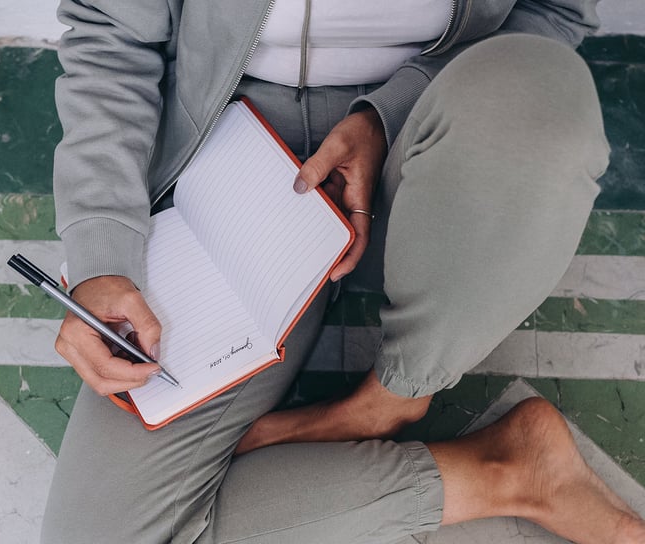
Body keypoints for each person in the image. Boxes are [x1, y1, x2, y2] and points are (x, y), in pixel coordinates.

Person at [41, 1, 645, 542]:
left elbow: (552, 12)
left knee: (539, 90)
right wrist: (100, 257)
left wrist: (385, 115)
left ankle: (395, 397)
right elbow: (111, 31)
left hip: (439, 124)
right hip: (233, 144)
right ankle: (507, 470)